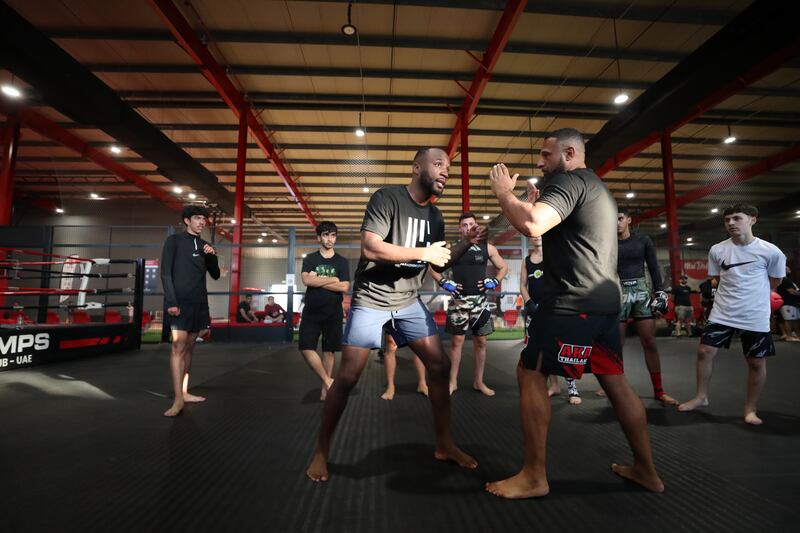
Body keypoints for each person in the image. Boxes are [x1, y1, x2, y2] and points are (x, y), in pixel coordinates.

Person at [485, 128, 663, 498]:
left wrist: (504, 194)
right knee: (613, 378)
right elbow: (554, 226)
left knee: (530, 373)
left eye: (545, 155)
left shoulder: (570, 181)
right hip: (603, 302)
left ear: (569, 153)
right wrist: (535, 202)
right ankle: (646, 470)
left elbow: (532, 224)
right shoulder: (594, 186)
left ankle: (534, 476)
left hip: (572, 302)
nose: (539, 162)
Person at [306, 147, 485, 482]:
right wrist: (422, 251)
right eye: (438, 164)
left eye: (448, 167)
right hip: (371, 298)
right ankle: (321, 450)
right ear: (416, 168)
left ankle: (444, 444)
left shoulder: (436, 217)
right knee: (348, 377)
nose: (445, 171)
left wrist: (466, 243)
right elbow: (371, 247)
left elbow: (438, 261)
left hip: (407, 300)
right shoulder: (386, 198)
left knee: (440, 364)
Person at [678, 204, 786, 425]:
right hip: (723, 312)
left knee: (756, 362)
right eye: (727, 220)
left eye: (737, 218)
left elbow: (775, 281)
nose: (731, 223)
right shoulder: (717, 250)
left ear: (752, 220)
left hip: (755, 314)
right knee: (704, 351)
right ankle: (701, 397)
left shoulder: (771, 251)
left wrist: (756, 295)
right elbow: (716, 278)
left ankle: (750, 409)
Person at [429, 212, 508, 396]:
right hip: (459, 301)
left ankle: (479, 382)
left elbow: (503, 267)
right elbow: (432, 268)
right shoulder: (453, 248)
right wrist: (444, 282)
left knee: (481, 342)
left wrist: (494, 281)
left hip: (481, 302)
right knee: (457, 342)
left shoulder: (487, 248)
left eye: (471, 224)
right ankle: (452, 382)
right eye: (464, 225)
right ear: (459, 228)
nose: (468, 227)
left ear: (476, 226)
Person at [519, 179, 580, 406]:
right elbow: (523, 285)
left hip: (556, 307)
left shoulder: (555, 254)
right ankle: (553, 385)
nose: (536, 237)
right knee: (543, 347)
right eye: (533, 235)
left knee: (564, 346)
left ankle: (572, 388)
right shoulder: (527, 260)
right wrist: (528, 303)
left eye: (539, 234)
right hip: (535, 309)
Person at [608, 210, 677, 405]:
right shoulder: (606, 241)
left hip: (640, 291)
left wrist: (660, 292)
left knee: (649, 342)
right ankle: (613, 387)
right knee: (616, 345)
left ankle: (659, 390)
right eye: (613, 219)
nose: (617, 223)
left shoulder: (643, 240)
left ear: (629, 220)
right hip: (617, 291)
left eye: (620, 218)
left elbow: (654, 267)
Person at [160, 205, 220, 417]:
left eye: (204, 219)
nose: (202, 222)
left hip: (199, 302)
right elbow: (166, 273)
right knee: (178, 346)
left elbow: (215, 275)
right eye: (197, 218)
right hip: (179, 303)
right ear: (187, 220)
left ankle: (184, 392)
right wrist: (171, 301)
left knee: (190, 348)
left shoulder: (205, 245)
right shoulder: (174, 241)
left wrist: (212, 256)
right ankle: (177, 399)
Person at [298, 221, 351, 400]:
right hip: (312, 311)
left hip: (333, 311)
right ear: (319, 237)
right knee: (306, 348)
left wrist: (319, 278)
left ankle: (325, 388)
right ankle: (328, 380)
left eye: (333, 235)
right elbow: (307, 281)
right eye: (326, 235)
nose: (330, 239)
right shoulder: (310, 259)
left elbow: (344, 286)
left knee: (329, 351)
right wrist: (332, 279)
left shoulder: (342, 261)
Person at [380, 329, 428, 400]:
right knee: (391, 345)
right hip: (393, 318)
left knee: (419, 345)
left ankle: (422, 384)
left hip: (414, 318)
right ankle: (390, 386)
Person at [776, 265, 800, 341]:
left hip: (792, 303)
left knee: (794, 320)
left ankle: (796, 336)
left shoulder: (787, 279)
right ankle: (789, 336)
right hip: (787, 303)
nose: (789, 270)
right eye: (787, 269)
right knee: (789, 320)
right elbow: (791, 291)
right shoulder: (784, 280)